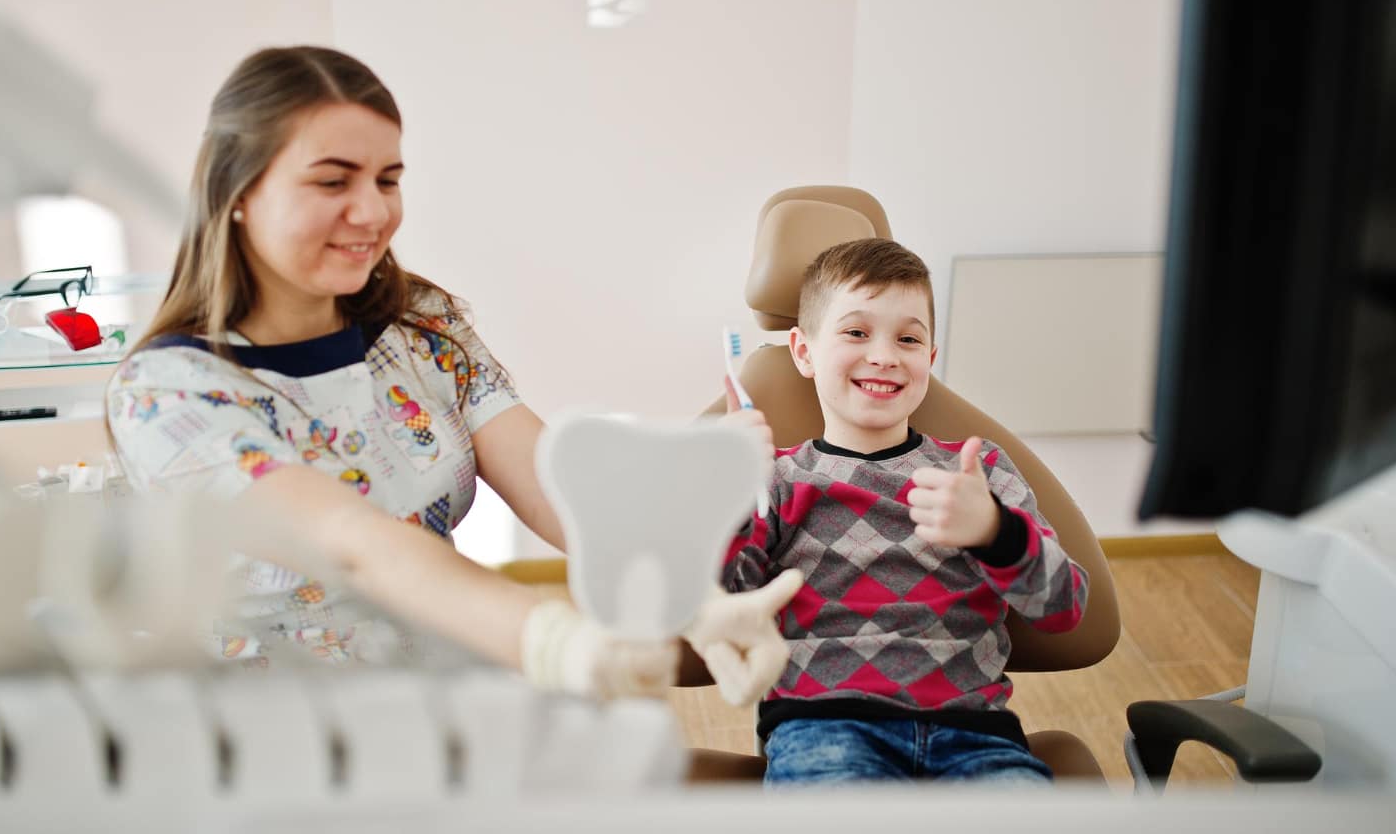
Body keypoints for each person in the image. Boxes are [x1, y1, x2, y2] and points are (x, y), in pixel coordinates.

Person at [106, 45, 795, 700]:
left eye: (388, 179)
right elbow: (356, 548)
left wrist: (690, 595)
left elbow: (559, 488)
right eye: (332, 180)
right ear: (237, 191)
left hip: (446, 703)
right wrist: (562, 644)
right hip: (285, 746)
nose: (373, 212)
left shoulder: (421, 327)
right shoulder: (168, 396)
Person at [719, 237, 1089, 784]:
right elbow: (726, 609)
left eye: (909, 338)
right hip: (824, 731)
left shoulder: (975, 470)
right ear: (803, 351)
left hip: (978, 737)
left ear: (929, 358)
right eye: (856, 332)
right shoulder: (775, 479)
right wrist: (725, 490)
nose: (885, 355)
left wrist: (993, 532)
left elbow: (1065, 609)